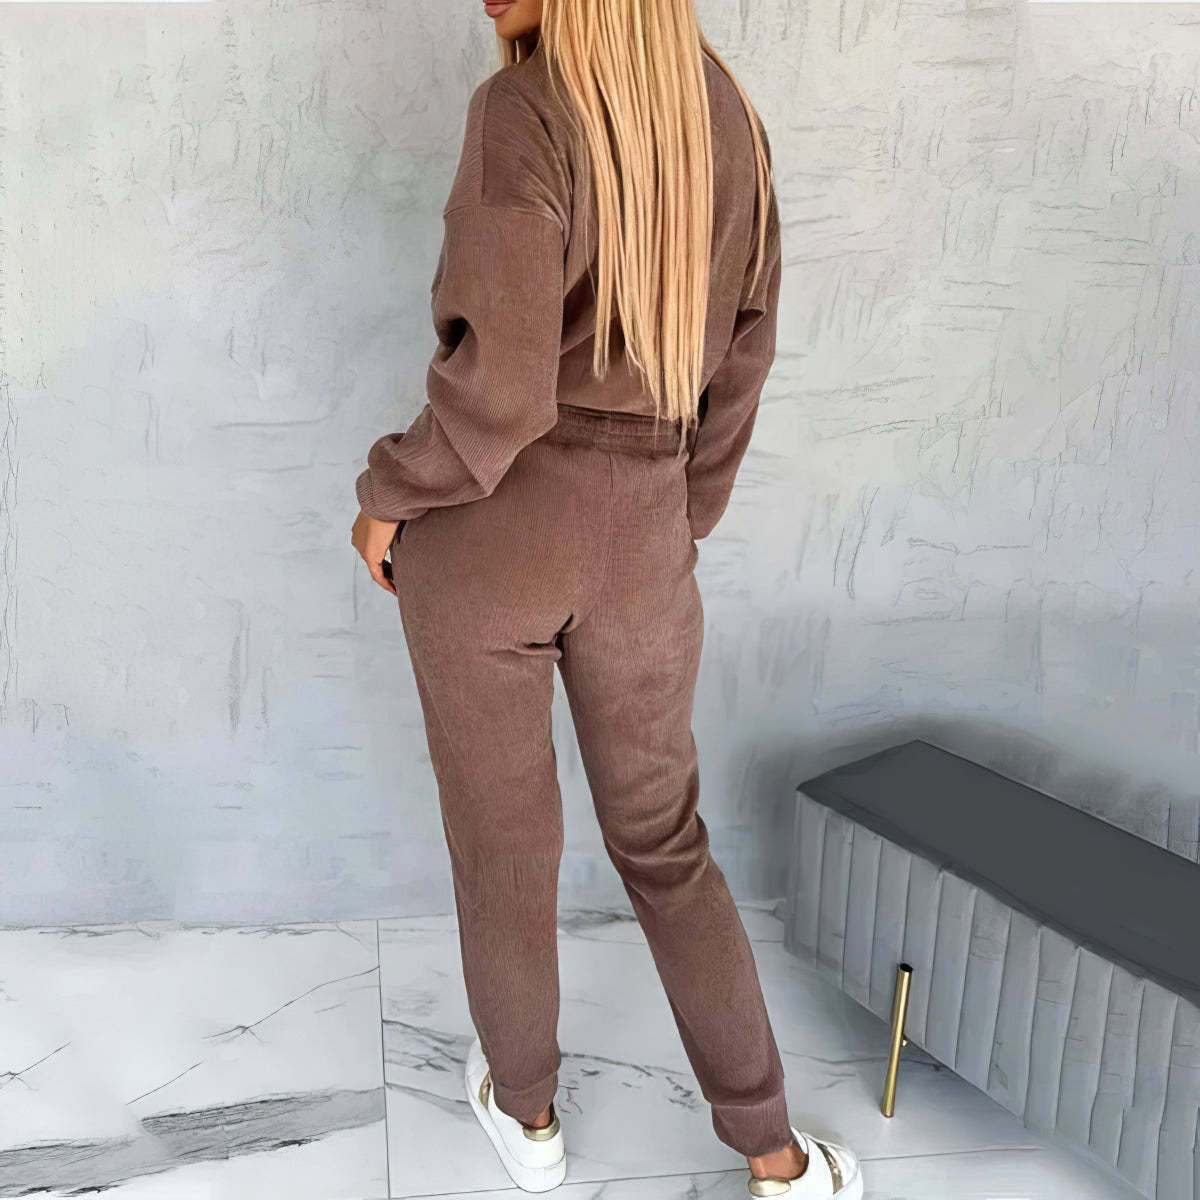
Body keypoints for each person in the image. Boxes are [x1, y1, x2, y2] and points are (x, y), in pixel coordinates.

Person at [350, 1, 863, 1196]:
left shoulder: (522, 113)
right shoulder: (727, 117)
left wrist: (389, 491)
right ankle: (774, 1152)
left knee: (504, 846)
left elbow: (501, 389)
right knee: (665, 845)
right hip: (644, 536)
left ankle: (528, 1117)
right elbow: (744, 357)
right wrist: (673, 517)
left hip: (493, 535)